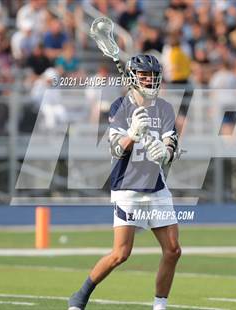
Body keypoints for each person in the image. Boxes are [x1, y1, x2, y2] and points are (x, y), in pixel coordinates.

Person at [68, 55, 181, 310]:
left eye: (153, 76)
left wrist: (165, 153)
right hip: (128, 188)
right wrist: (132, 135)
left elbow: (171, 143)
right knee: (121, 254)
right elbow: (116, 148)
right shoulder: (120, 106)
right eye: (144, 76)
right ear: (133, 78)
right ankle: (80, 295)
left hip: (156, 188)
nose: (150, 81)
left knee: (173, 250)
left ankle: (159, 306)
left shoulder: (164, 108)